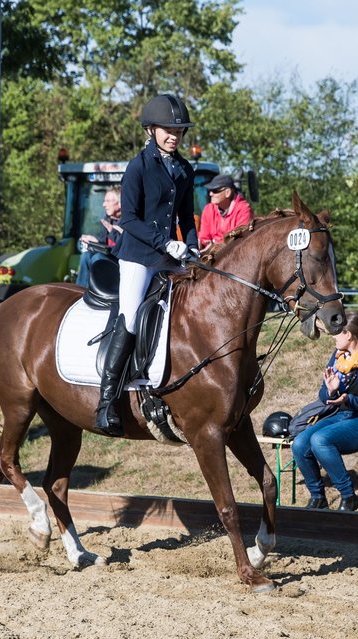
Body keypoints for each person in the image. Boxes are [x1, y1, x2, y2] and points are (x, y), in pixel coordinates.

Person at [98, 93, 199, 436]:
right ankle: (106, 400)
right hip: (138, 256)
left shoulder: (184, 169)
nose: (175, 135)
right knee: (129, 317)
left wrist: (194, 246)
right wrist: (165, 241)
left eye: (179, 130)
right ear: (152, 129)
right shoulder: (138, 167)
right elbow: (129, 219)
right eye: (168, 129)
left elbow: (187, 218)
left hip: (169, 256)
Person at [292, 310, 358, 511]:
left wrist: (348, 398)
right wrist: (333, 391)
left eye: (337, 332)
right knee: (299, 444)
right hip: (343, 415)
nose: (333, 336)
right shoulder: (338, 357)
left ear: (349, 334)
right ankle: (317, 497)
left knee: (320, 440)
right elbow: (324, 396)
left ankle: (348, 495)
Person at [75, 185, 122, 287]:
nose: (104, 204)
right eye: (104, 201)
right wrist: (94, 241)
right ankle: (80, 291)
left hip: (121, 264)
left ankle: (99, 292)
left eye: (108, 201)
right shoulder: (108, 220)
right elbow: (105, 244)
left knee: (98, 257)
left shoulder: (128, 222)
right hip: (110, 258)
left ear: (120, 203)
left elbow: (124, 246)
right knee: (86, 255)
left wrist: (113, 232)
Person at [198, 173, 254, 249]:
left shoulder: (244, 209)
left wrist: (215, 246)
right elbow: (204, 237)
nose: (211, 194)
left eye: (215, 190)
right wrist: (204, 243)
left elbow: (240, 240)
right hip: (211, 254)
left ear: (228, 192)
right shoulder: (208, 209)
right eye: (210, 191)